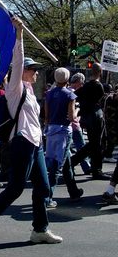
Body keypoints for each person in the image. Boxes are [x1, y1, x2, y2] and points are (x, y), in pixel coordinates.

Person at [0, 16, 62, 244]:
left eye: (35, 70)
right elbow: (18, 60)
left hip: (35, 143)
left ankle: (40, 229)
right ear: (21, 72)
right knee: (16, 188)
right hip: (21, 143)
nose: (36, 72)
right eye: (32, 69)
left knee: (43, 187)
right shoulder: (15, 89)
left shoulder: (30, 91)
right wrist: (19, 34)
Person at [45, 68, 83, 208]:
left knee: (65, 163)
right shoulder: (70, 95)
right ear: (67, 79)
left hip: (51, 130)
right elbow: (72, 117)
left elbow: (47, 115)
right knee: (58, 165)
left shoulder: (49, 94)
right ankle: (48, 196)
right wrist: (78, 110)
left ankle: (73, 192)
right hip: (64, 131)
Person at [71, 63, 108, 179]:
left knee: (94, 144)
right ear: (100, 72)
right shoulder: (99, 86)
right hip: (96, 116)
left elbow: (74, 96)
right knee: (98, 144)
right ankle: (96, 169)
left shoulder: (85, 86)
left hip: (87, 117)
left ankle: (75, 162)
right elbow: (100, 100)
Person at [68, 73, 91, 174]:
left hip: (66, 125)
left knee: (67, 148)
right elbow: (74, 110)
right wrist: (78, 109)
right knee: (81, 146)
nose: (82, 85)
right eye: (82, 82)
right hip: (74, 124)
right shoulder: (74, 93)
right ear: (78, 82)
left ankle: (69, 167)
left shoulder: (66, 90)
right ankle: (86, 166)